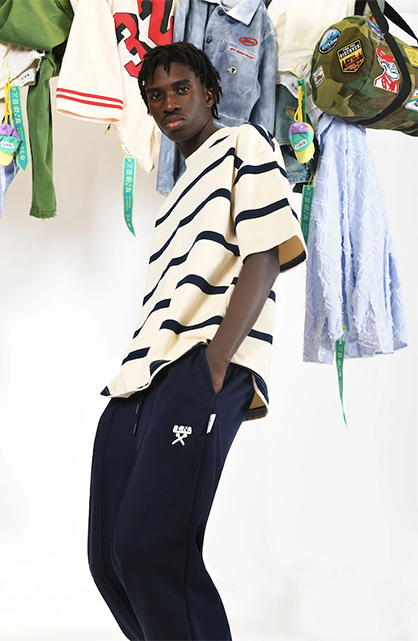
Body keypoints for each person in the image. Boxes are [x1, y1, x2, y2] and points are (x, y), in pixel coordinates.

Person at [88, 42, 307, 641]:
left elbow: (265, 253)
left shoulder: (245, 145)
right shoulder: (173, 196)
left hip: (200, 365)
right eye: (156, 96)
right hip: (138, 381)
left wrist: (215, 363)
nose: (169, 103)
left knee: (151, 548)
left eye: (181, 88)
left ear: (209, 92)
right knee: (110, 559)